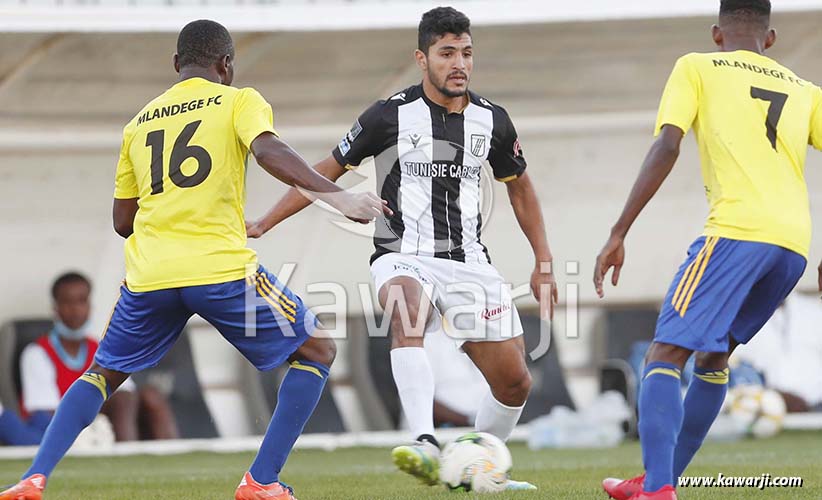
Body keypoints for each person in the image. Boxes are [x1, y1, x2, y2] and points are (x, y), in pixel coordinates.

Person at [0, 19, 387, 500]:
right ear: (226, 64)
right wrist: (338, 197)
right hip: (219, 269)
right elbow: (268, 150)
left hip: (151, 275)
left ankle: (34, 477)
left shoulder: (138, 123)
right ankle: (261, 481)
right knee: (316, 351)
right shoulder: (239, 100)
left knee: (102, 375)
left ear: (175, 65)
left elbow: (124, 221)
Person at [246, 6, 556, 491]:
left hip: (469, 262)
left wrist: (543, 261)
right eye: (447, 52)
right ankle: (425, 442)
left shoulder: (492, 121)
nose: (459, 63)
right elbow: (325, 169)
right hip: (402, 253)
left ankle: (478, 470)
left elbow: (519, 186)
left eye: (467, 53)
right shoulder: (387, 114)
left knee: (515, 382)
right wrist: (265, 221)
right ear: (422, 57)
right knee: (406, 311)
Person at [593, 1, 822, 499]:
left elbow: (668, 145)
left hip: (736, 232)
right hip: (792, 247)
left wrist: (619, 231)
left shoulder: (697, 65)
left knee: (664, 352)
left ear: (717, 33)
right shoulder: (805, 90)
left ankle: (656, 491)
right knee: (714, 358)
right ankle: (659, 480)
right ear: (772, 38)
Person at [4, 272, 139, 446]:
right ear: (55, 308)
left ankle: (139, 453)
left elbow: (125, 395)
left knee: (138, 396)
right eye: (67, 302)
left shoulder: (102, 348)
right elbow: (45, 415)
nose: (75, 310)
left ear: (90, 306)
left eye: (82, 301)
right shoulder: (37, 353)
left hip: (98, 428)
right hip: (55, 432)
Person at [732, 292, 822, 412]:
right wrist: (774, 398)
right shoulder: (737, 317)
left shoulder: (814, 311)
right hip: (761, 410)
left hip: (817, 409)